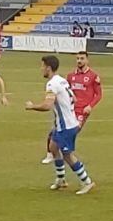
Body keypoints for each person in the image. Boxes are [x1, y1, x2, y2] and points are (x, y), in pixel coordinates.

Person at [26, 55, 96, 195]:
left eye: (42, 66)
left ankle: (87, 181)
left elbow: (47, 105)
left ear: (48, 68)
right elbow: (74, 98)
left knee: (67, 155)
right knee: (53, 147)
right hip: (65, 123)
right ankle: (61, 179)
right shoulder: (62, 80)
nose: (41, 69)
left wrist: (32, 106)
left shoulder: (52, 84)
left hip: (67, 126)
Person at [42, 51, 103, 164]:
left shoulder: (93, 76)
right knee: (54, 131)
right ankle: (52, 154)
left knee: (71, 132)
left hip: (82, 111)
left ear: (87, 60)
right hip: (70, 110)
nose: (79, 61)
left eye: (82, 58)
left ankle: (66, 155)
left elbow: (99, 94)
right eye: (78, 58)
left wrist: (90, 106)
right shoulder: (70, 76)